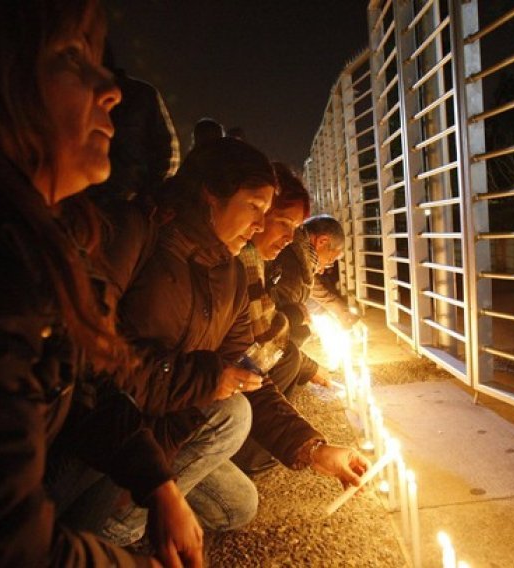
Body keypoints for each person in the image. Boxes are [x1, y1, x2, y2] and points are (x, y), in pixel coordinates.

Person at [0, 1, 201, 565]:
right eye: (72, 56)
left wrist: (157, 482)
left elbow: (79, 384)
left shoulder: (34, 242)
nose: (111, 88)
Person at [109, 137, 369, 535]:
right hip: (115, 427)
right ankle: (111, 533)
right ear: (211, 196)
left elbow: (248, 372)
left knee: (238, 506)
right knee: (231, 416)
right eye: (255, 209)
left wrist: (313, 449)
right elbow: (98, 365)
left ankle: (145, 504)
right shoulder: (141, 237)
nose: (262, 227)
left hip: (170, 417)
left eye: (268, 213)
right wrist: (208, 378)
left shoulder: (228, 273)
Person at [231, 162, 323, 473]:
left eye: (295, 229)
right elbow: (265, 339)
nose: (288, 238)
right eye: (283, 222)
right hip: (206, 407)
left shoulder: (254, 259)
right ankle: (248, 456)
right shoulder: (239, 259)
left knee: (288, 350)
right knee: (285, 354)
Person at [268, 214, 359, 386]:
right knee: (300, 332)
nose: (324, 270)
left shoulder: (299, 255)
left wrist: (340, 311)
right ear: (322, 242)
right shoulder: (292, 265)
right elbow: (277, 331)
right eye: (331, 260)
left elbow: (313, 286)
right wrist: (310, 369)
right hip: (263, 352)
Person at [87, 44, 180, 206]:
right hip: (86, 201)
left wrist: (149, 197)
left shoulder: (142, 95)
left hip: (129, 203)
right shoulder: (79, 98)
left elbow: (167, 150)